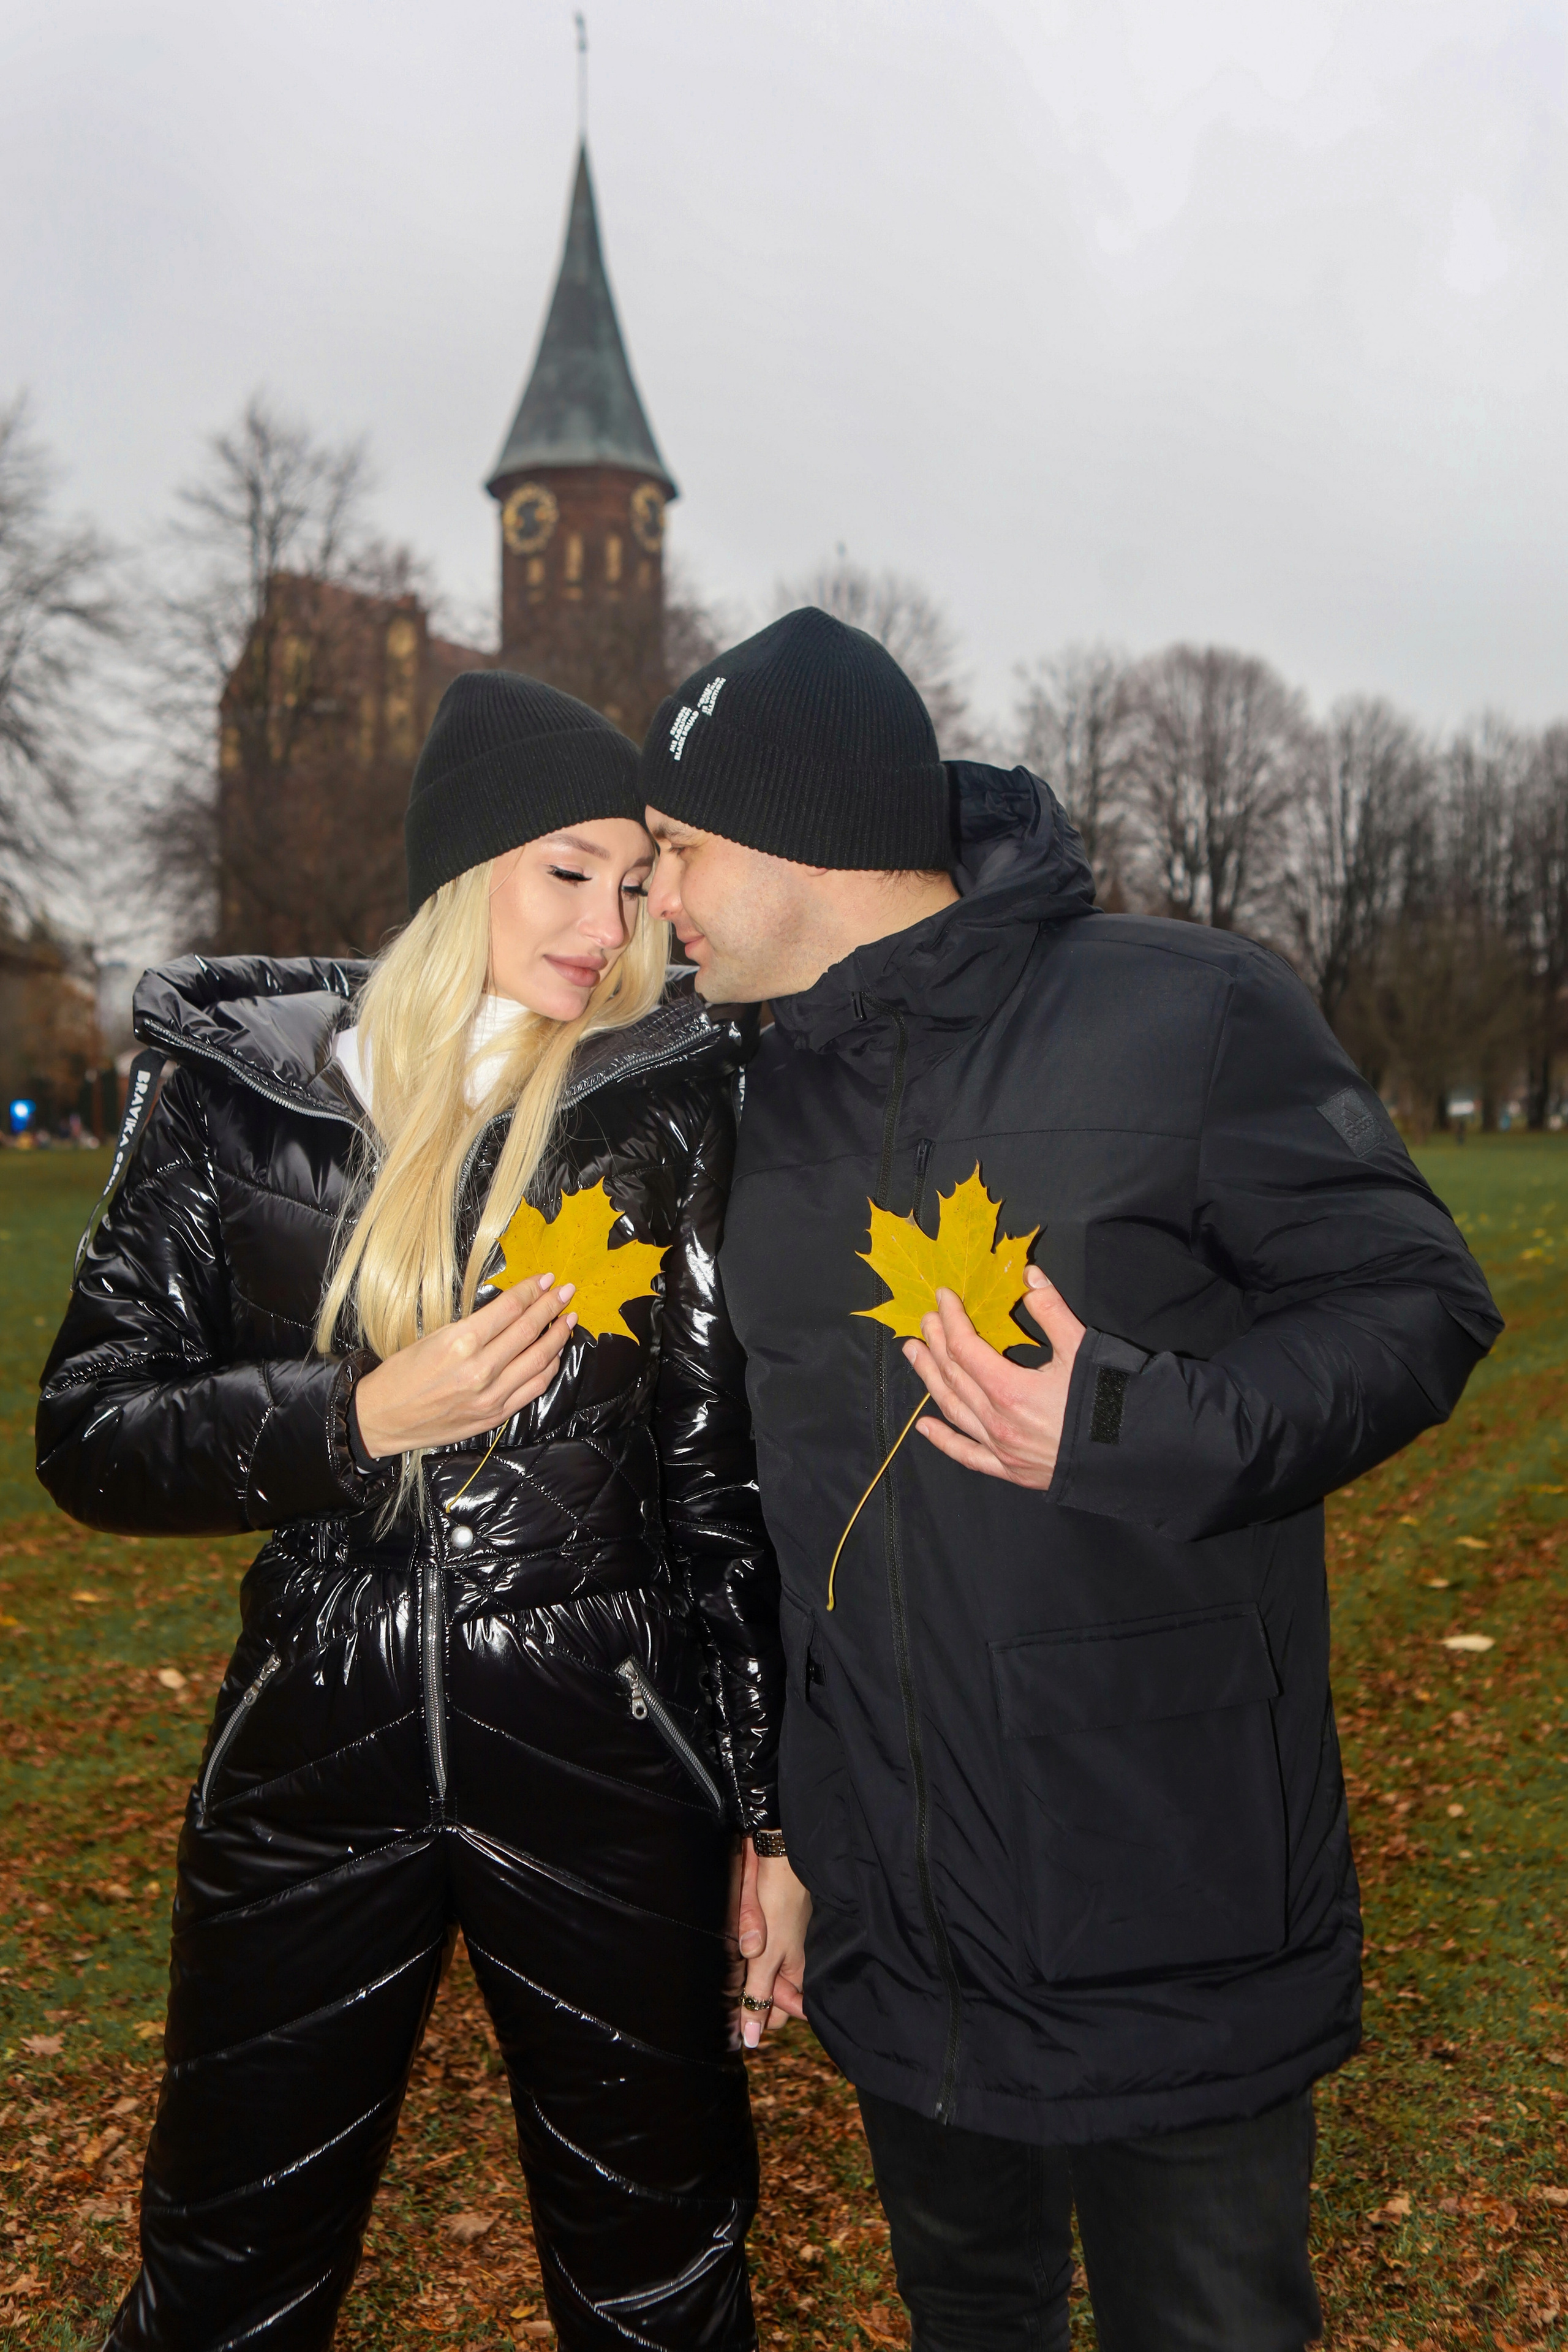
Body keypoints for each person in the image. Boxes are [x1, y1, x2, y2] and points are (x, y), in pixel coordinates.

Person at [643, 608, 1502, 2351]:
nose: (659, 898)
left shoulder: (1186, 1016)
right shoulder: (751, 1105)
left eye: (676, 851)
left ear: (799, 833)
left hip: (1166, 1913)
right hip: (900, 1936)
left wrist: (1130, 1423)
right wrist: (799, 1826)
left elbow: (1419, 1305)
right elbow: (789, 1512)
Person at [37, 671, 786, 2352]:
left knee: (659, 2279)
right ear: (465, 869)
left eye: (635, 880)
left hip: (605, 1741)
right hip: (312, 1746)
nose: (612, 925)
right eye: (566, 873)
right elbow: (90, 1434)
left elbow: (714, 1486)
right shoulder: (231, 1098)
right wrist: (364, 1416)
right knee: (227, 2273)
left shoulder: (668, 1101)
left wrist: (768, 1813)